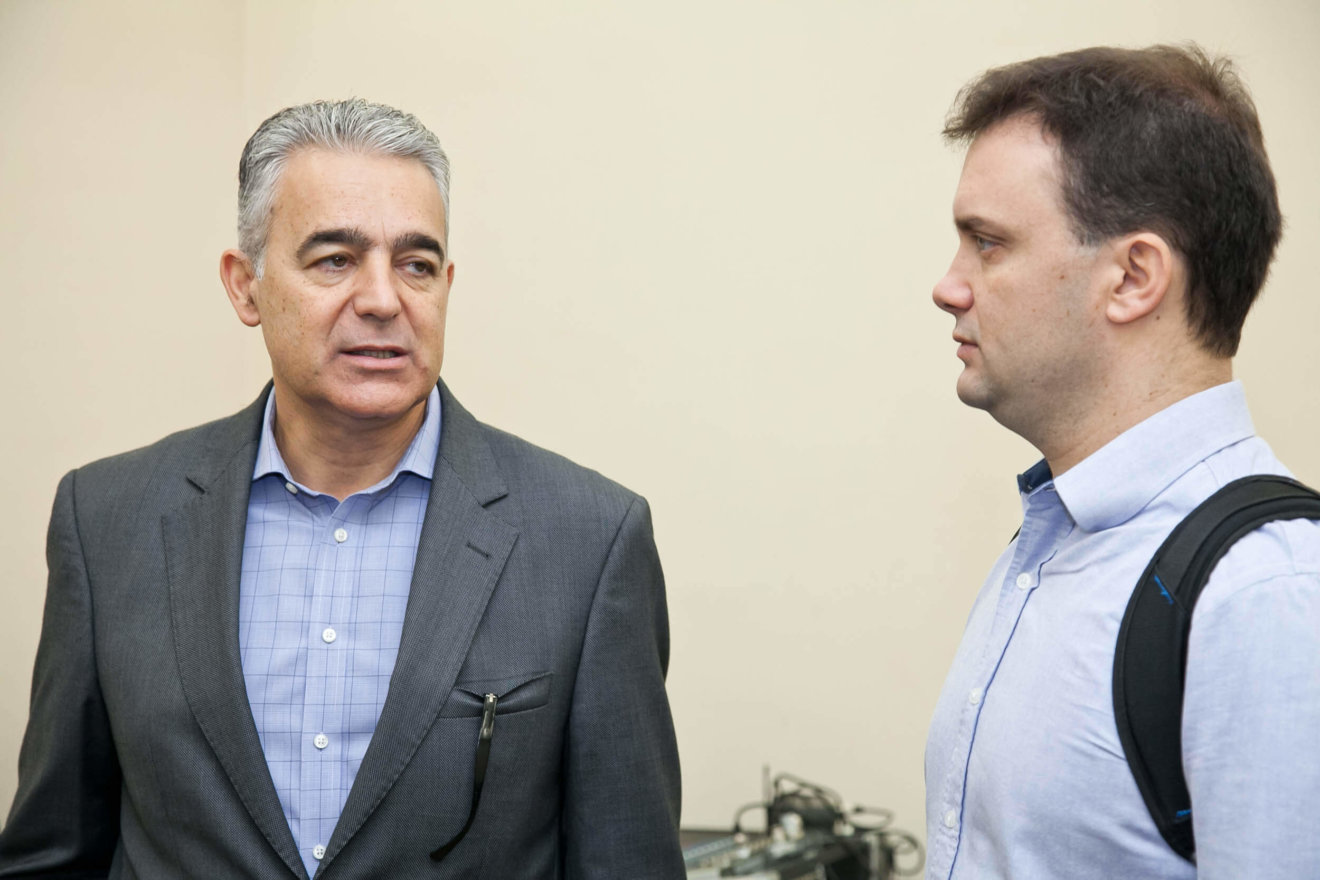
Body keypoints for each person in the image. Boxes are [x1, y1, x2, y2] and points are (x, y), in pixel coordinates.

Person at [0, 99, 683, 879]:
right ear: (246, 287)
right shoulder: (107, 520)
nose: (384, 300)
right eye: (335, 259)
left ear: (446, 286)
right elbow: (55, 854)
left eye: (416, 264)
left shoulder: (589, 540)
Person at [924, 45, 1320, 879]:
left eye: (987, 243)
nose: (948, 287)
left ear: (1135, 277)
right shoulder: (1059, 542)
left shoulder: (1266, 595)